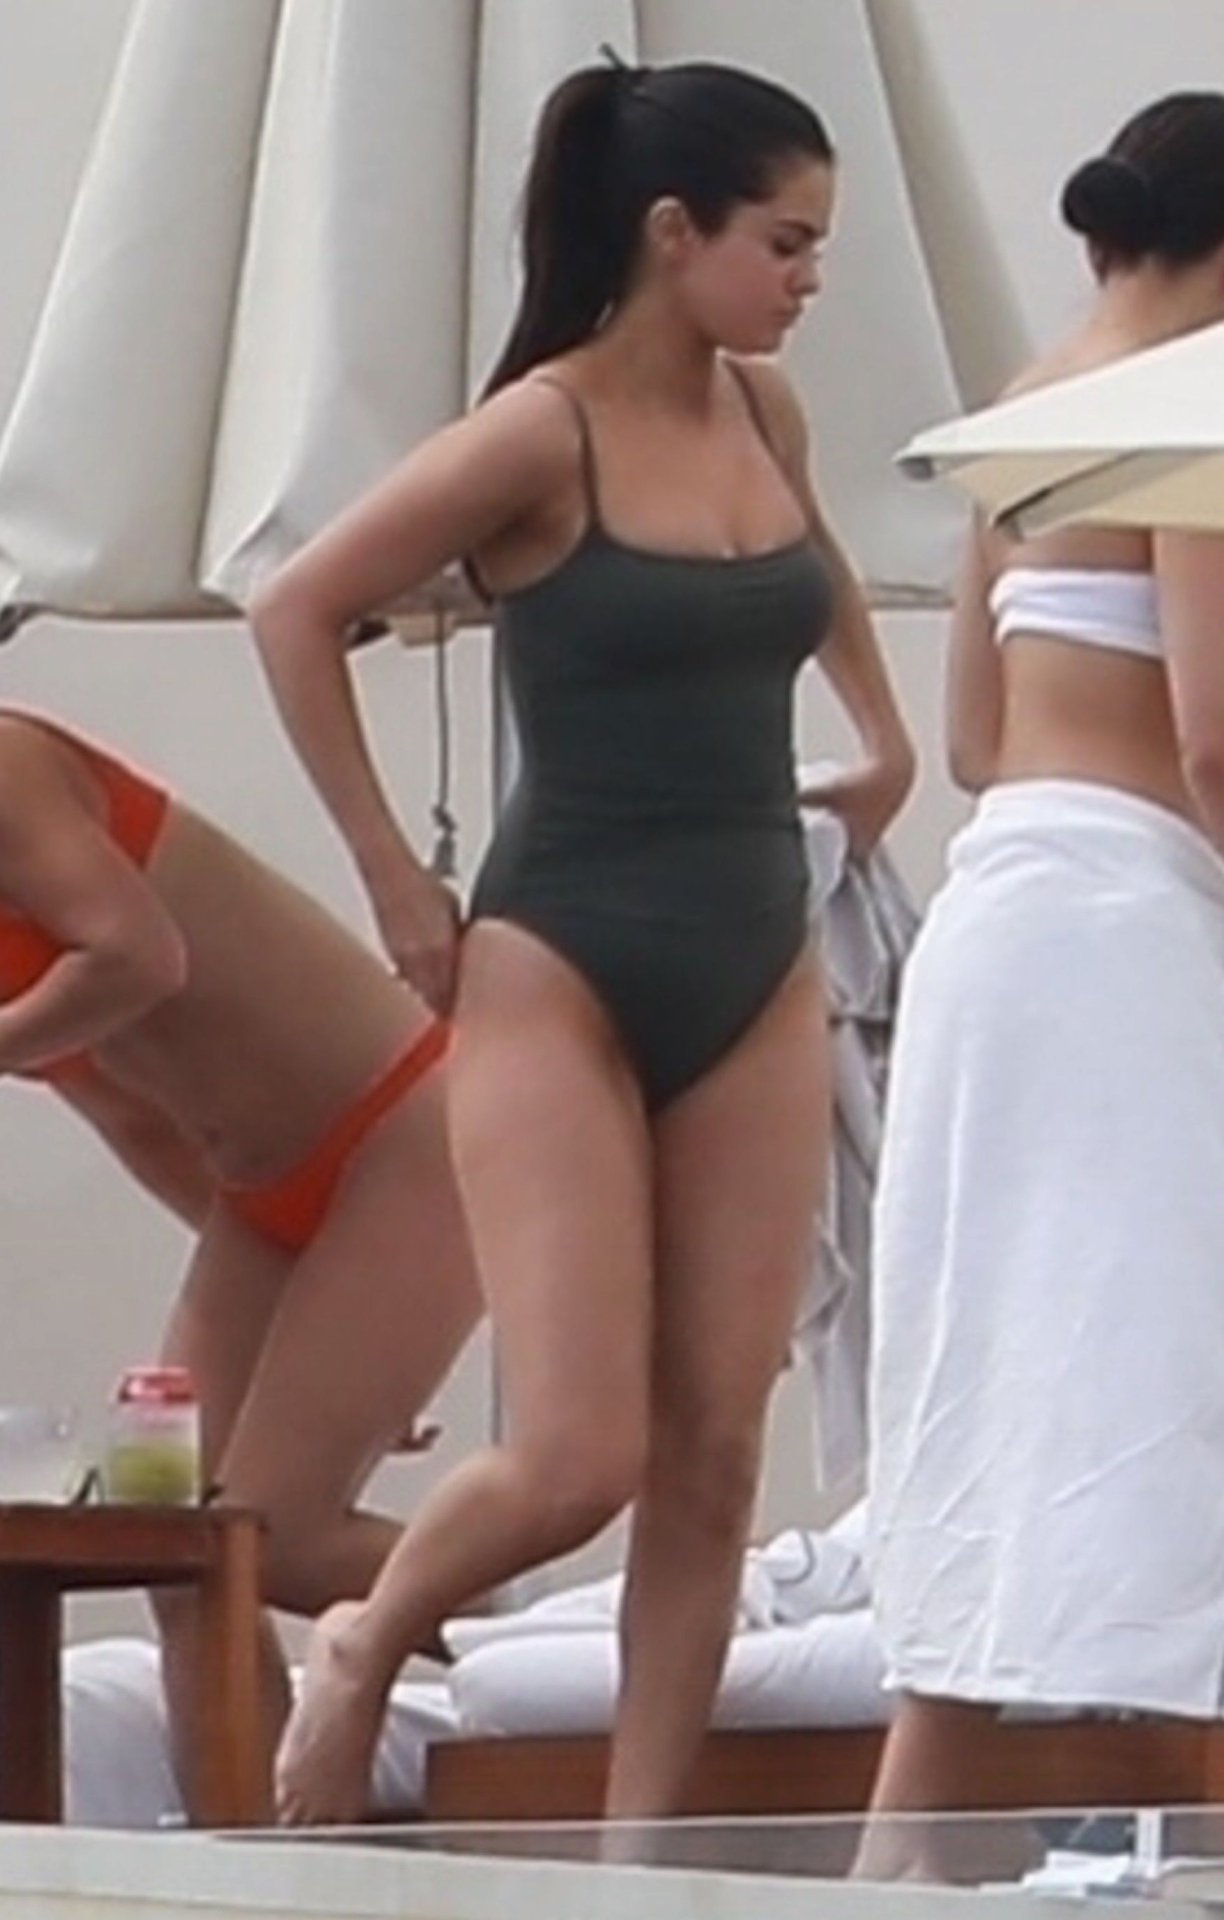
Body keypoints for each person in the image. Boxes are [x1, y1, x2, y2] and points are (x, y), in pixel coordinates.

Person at [251, 55, 914, 1829]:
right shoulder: (540, 433)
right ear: (671, 231)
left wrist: (884, 734)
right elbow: (297, 608)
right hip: (562, 959)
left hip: (753, 951)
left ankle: (637, 1859)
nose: (808, 277)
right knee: (577, 1455)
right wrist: (393, 879)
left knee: (715, 1452)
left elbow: (818, 568)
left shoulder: (763, 414)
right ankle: (367, 1636)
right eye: (784, 241)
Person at [865, 92, 1224, 1852]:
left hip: (996, 916)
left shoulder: (1027, 408)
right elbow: (1214, 738)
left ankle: (897, 1840)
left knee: (1001, 1375)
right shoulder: (1195, 415)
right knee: (1154, 1369)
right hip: (1124, 932)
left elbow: (968, 738)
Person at [0, 706, 481, 1796]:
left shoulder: (9, 765)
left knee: (278, 1537)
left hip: (398, 1135)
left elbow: (141, 956)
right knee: (176, 1546)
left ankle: (554, 1631)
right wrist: (330, 1316)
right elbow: (133, 1118)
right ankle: (248, 1846)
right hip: (264, 1199)